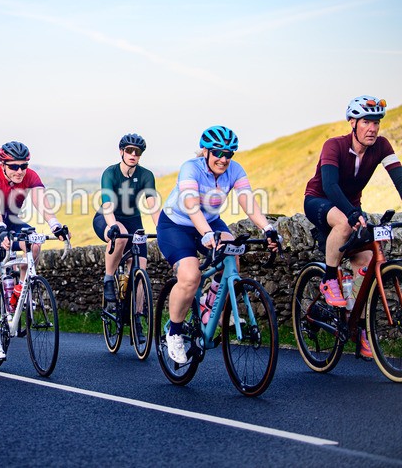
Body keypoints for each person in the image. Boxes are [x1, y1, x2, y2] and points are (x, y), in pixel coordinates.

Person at [157, 126, 279, 364]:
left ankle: (209, 305)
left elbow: (247, 200)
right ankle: (174, 331)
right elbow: (191, 205)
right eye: (218, 153)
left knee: (232, 252)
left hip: (210, 222)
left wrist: (267, 228)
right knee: (190, 276)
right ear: (206, 151)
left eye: (229, 154)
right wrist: (206, 234)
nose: (224, 159)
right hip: (176, 225)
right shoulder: (190, 168)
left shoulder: (234, 170)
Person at [304, 95, 401, 358]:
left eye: (376, 123)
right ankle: (327, 280)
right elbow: (331, 186)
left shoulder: (381, 146)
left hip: (351, 207)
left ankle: (357, 324)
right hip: (319, 201)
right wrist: (351, 213)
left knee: (368, 260)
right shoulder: (334, 145)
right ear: (353, 123)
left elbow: (399, 178)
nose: (373, 128)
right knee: (346, 225)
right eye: (367, 122)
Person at [0, 141, 70, 360]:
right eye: (14, 166)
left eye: (23, 166)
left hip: (14, 221)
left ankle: (20, 292)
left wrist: (55, 225)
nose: (19, 171)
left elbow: (41, 202)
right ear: (3, 164)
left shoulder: (30, 176)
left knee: (35, 242)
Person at [94, 133, 159, 306]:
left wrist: (162, 228)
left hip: (133, 221)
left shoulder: (146, 175)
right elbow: (107, 204)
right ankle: (108, 279)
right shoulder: (110, 173)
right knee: (120, 235)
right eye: (129, 150)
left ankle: (136, 317)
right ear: (121, 151)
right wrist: (113, 225)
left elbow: (153, 205)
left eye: (137, 152)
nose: (133, 155)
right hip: (106, 217)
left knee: (140, 268)